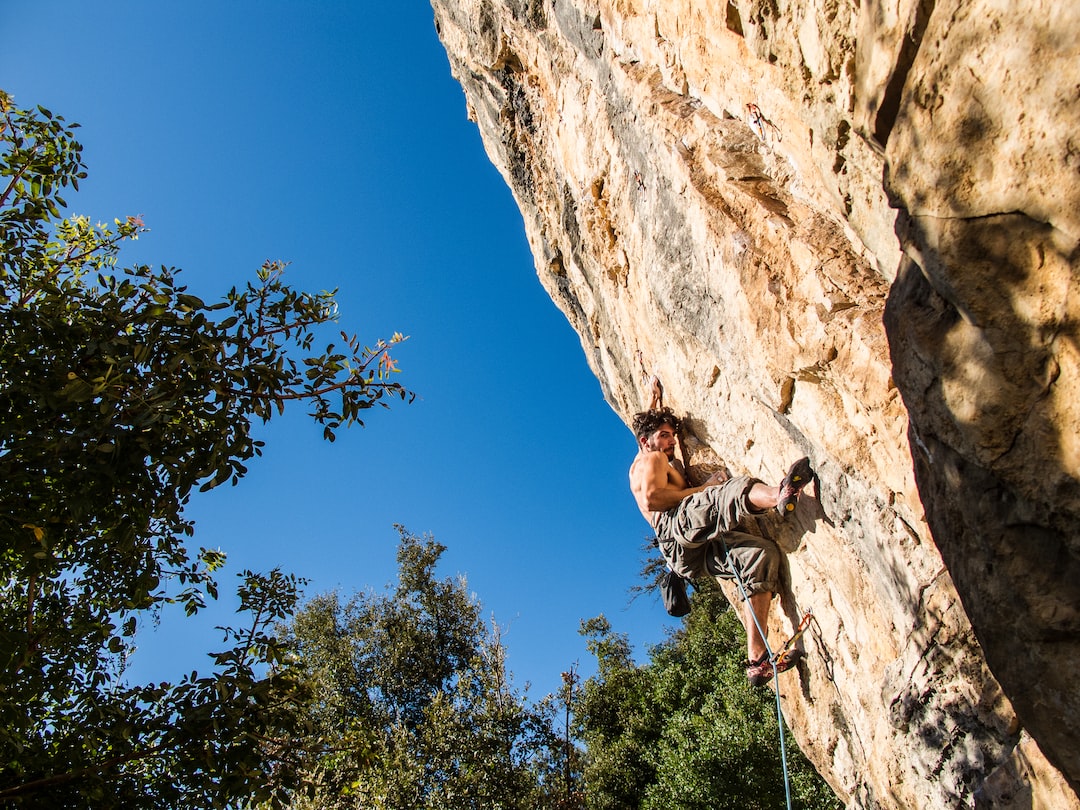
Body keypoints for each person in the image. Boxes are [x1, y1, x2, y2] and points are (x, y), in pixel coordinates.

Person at [628, 408, 814, 685]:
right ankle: (779, 494)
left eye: (672, 436)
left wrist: (654, 395)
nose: (671, 442)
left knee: (759, 556)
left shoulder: (643, 462)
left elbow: (644, 432)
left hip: (684, 556)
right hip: (674, 526)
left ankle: (757, 659)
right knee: (722, 494)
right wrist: (704, 488)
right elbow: (652, 499)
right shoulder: (653, 458)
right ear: (646, 441)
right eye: (664, 436)